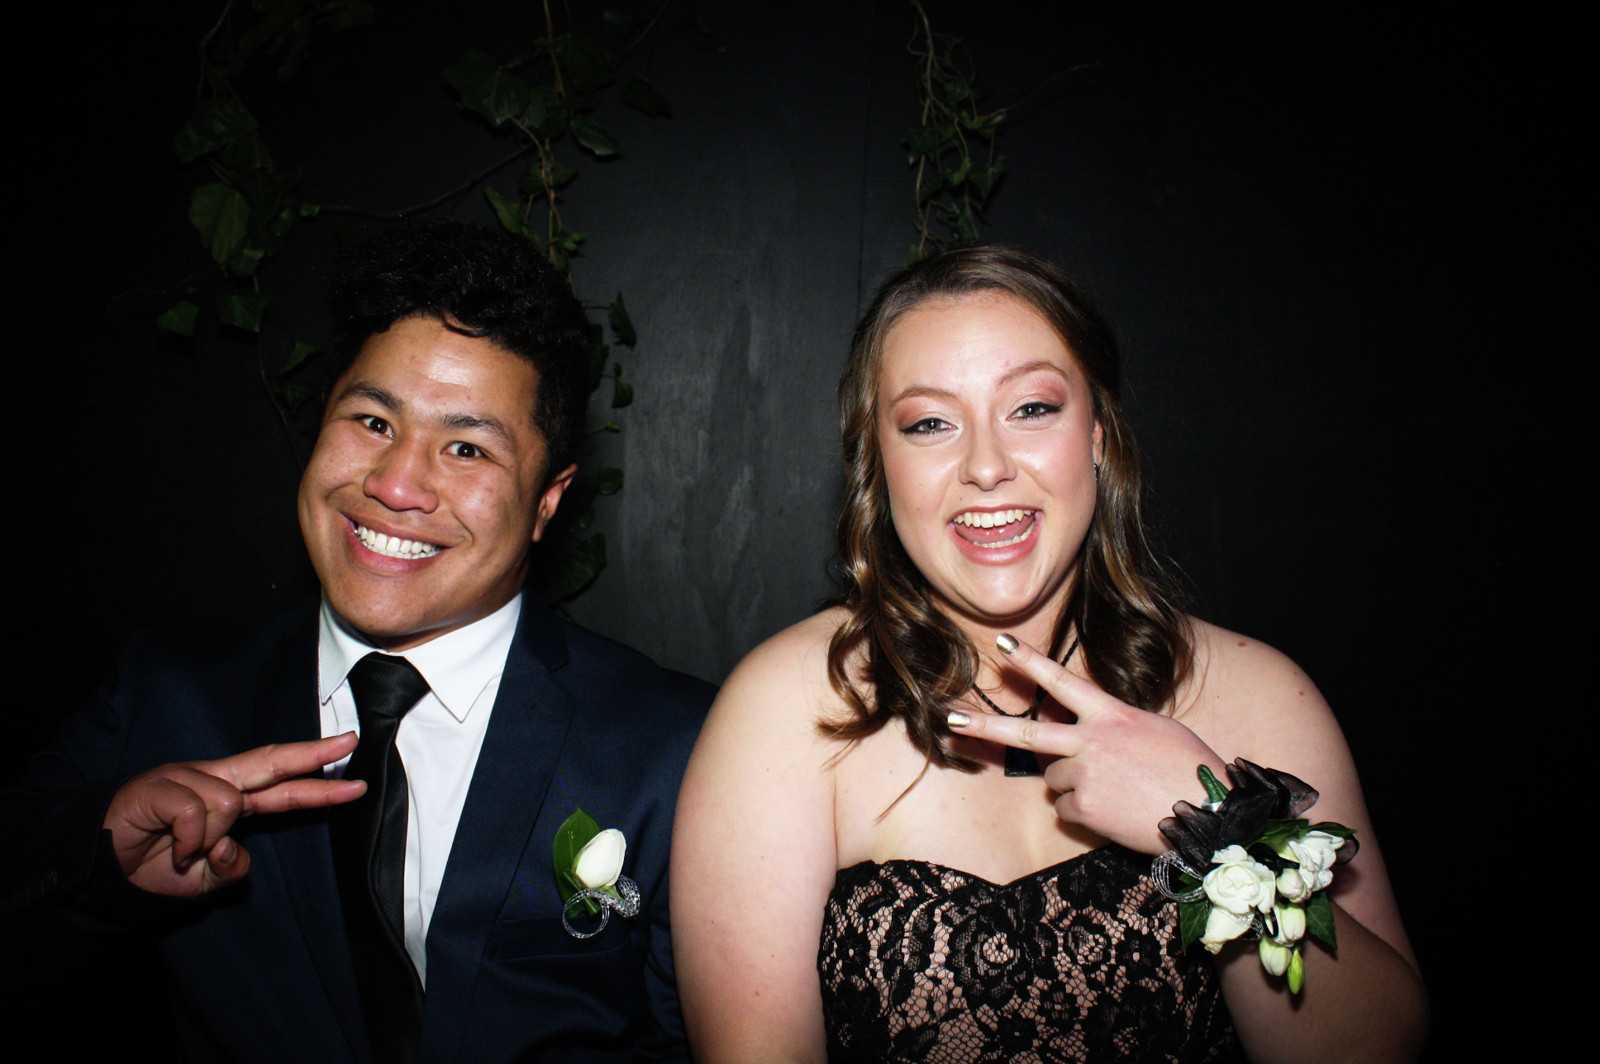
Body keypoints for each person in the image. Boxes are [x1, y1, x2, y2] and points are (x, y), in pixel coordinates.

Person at [671, 245, 1426, 1062]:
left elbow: (1378, 1046)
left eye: (1031, 409)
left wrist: (1211, 828)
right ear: (876, 464)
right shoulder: (787, 710)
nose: (986, 467)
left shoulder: (1260, 694)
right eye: (930, 424)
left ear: (1097, 435)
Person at [2, 221, 712, 1062]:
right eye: (373, 422)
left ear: (548, 501)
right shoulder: (169, 694)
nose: (395, 484)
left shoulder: (673, 748)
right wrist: (99, 860)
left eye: (466, 447)